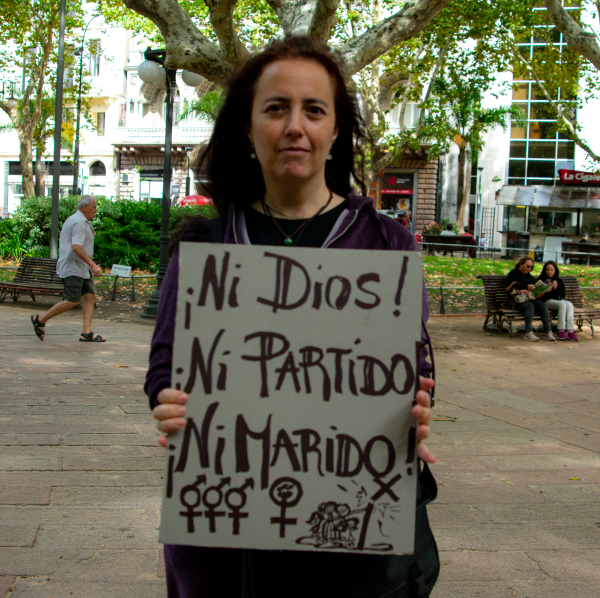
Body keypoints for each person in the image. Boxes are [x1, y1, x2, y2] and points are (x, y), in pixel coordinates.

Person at [145, 36, 437, 598]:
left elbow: (415, 361)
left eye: (314, 110)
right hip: (222, 532)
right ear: (248, 129)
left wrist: (418, 404)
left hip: (350, 546)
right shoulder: (207, 242)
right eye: (276, 108)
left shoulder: (386, 243)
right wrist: (167, 401)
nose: (294, 126)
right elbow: (166, 364)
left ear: (334, 130)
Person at [30, 195, 105, 342]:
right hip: (73, 268)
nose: (96, 211)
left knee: (90, 296)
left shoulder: (80, 220)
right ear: (85, 207)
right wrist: (93, 265)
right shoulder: (78, 222)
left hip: (81, 269)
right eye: (94, 207)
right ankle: (40, 319)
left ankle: (86, 332)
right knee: (72, 300)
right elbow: (76, 247)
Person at [506, 256, 554, 342]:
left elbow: (534, 289)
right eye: (527, 266)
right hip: (515, 300)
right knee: (530, 306)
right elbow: (511, 285)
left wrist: (543, 290)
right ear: (521, 264)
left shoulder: (529, 277)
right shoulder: (514, 272)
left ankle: (548, 332)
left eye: (531, 267)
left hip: (527, 299)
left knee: (542, 305)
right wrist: (526, 286)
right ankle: (528, 333)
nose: (529, 268)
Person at [536, 261, 578, 341]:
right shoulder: (541, 280)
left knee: (569, 304)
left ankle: (570, 330)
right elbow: (538, 295)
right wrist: (545, 289)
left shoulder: (558, 280)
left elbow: (562, 295)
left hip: (559, 300)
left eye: (551, 270)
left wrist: (556, 287)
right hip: (547, 302)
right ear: (544, 270)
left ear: (555, 270)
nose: (549, 272)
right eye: (547, 270)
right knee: (562, 305)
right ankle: (561, 331)